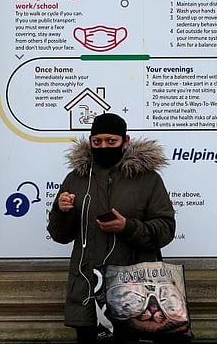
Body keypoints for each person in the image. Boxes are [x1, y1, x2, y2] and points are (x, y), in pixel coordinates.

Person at [47, 112, 177, 343]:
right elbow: (59, 235)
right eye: (97, 141)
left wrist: (127, 227)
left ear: (125, 142)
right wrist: (61, 211)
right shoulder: (76, 178)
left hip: (136, 292)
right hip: (88, 290)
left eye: (111, 141)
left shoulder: (148, 179)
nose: (103, 146)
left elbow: (166, 229)